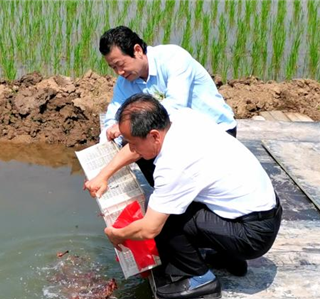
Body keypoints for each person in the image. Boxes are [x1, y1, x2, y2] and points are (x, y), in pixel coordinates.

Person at [84, 94, 282, 299]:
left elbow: (150, 228)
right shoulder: (181, 118)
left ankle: (201, 278)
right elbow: (138, 150)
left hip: (253, 235)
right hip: (261, 212)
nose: (131, 149)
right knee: (178, 200)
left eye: (133, 143)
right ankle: (230, 258)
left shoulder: (174, 165)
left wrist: (118, 234)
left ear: (154, 136)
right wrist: (103, 175)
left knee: (166, 219)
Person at [99, 26, 237, 185]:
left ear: (137, 50)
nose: (119, 72)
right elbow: (112, 118)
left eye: (120, 64)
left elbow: (175, 107)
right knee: (133, 140)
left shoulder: (173, 58)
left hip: (216, 131)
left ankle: (175, 198)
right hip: (177, 134)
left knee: (141, 136)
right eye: (113, 68)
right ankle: (165, 193)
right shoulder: (125, 82)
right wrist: (109, 137)